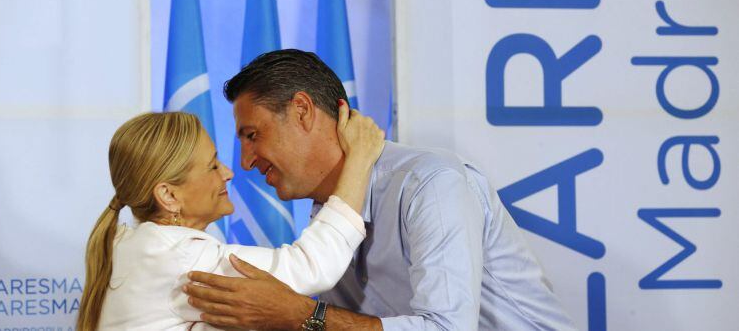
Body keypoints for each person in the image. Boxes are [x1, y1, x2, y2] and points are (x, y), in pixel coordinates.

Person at [183, 49, 577, 330]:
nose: (245, 162)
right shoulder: (329, 216)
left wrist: (300, 315)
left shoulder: (429, 183)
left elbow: (447, 328)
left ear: (302, 111)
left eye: (253, 135)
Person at [76, 106, 384, 331]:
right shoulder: (182, 258)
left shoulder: (140, 247)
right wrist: (359, 158)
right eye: (212, 166)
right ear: (168, 195)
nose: (228, 173)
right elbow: (311, 266)